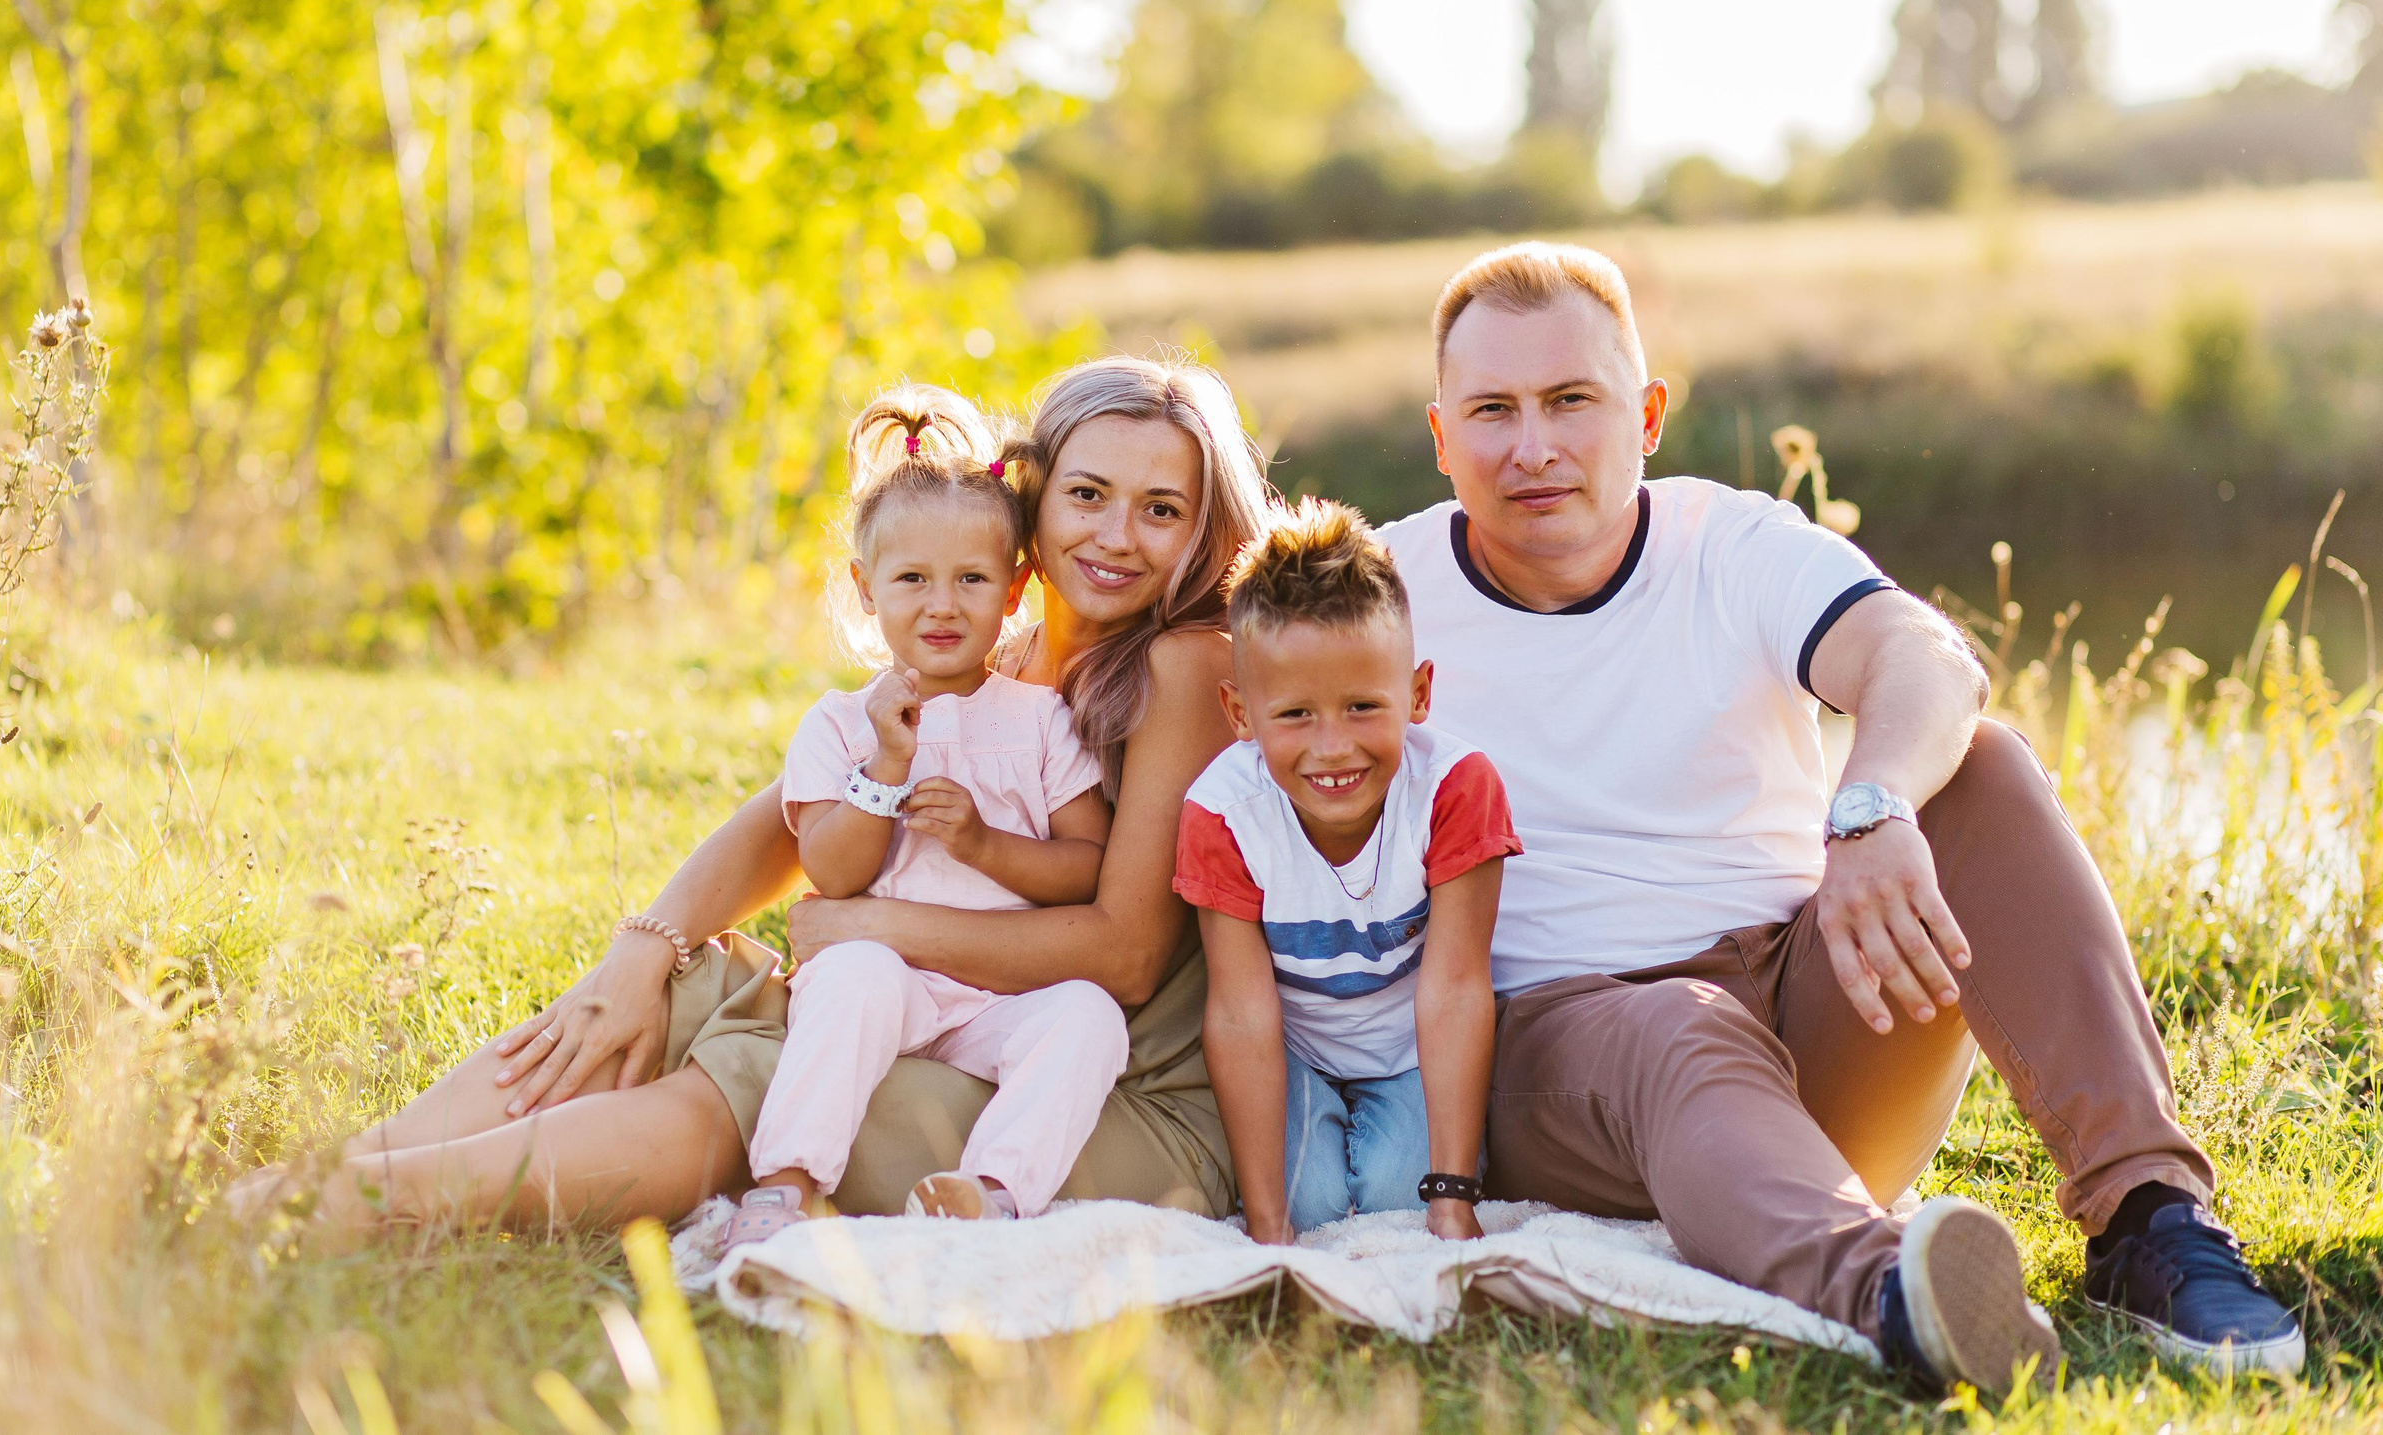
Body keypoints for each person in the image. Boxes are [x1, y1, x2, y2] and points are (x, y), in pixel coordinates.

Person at [1381, 241, 2305, 1390]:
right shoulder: (1379, 595)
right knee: (1676, 1025)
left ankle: (2147, 1218)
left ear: (1648, 414)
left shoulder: (1730, 542)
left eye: (1572, 400)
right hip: (1561, 1050)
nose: (1534, 447)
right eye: (1492, 411)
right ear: (1438, 437)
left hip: (1802, 1010)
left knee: (1979, 768)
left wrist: (1869, 815)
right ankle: (1893, 1293)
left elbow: (1922, 657)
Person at [233, 356, 1272, 1237]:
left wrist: (866, 921)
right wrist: (644, 951)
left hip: (1103, 1095)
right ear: (1030, 499)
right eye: (1087, 494)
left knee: (772, 1053)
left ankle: (363, 1204)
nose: (1116, 535)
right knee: (690, 991)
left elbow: (1125, 956)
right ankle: (325, 1175)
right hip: (965, 1028)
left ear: (1201, 535)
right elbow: (789, 817)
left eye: (1162, 510)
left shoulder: (1180, 665)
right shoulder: (1000, 645)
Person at [725, 387, 1125, 1249]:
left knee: (1091, 1015)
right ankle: (785, 1184)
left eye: (971, 580)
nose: (942, 606)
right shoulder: (840, 723)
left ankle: (990, 1190)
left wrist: (985, 843)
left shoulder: (1039, 717)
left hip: (1002, 994)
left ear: (1014, 588)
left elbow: (1087, 865)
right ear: (867, 589)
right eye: (912, 580)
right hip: (892, 987)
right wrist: (884, 772)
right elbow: (833, 875)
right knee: (852, 973)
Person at [1178, 500, 1511, 1245]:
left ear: (1418, 693)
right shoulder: (1224, 813)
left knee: (1402, 1194)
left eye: (1364, 706)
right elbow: (1239, 1012)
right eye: (1295, 714)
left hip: (1410, 1048)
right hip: (1291, 1052)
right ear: (1240, 712)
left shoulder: (1456, 788)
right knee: (1313, 1204)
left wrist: (1453, 1197)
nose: (1333, 747)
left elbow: (1457, 988)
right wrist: (1267, 1227)